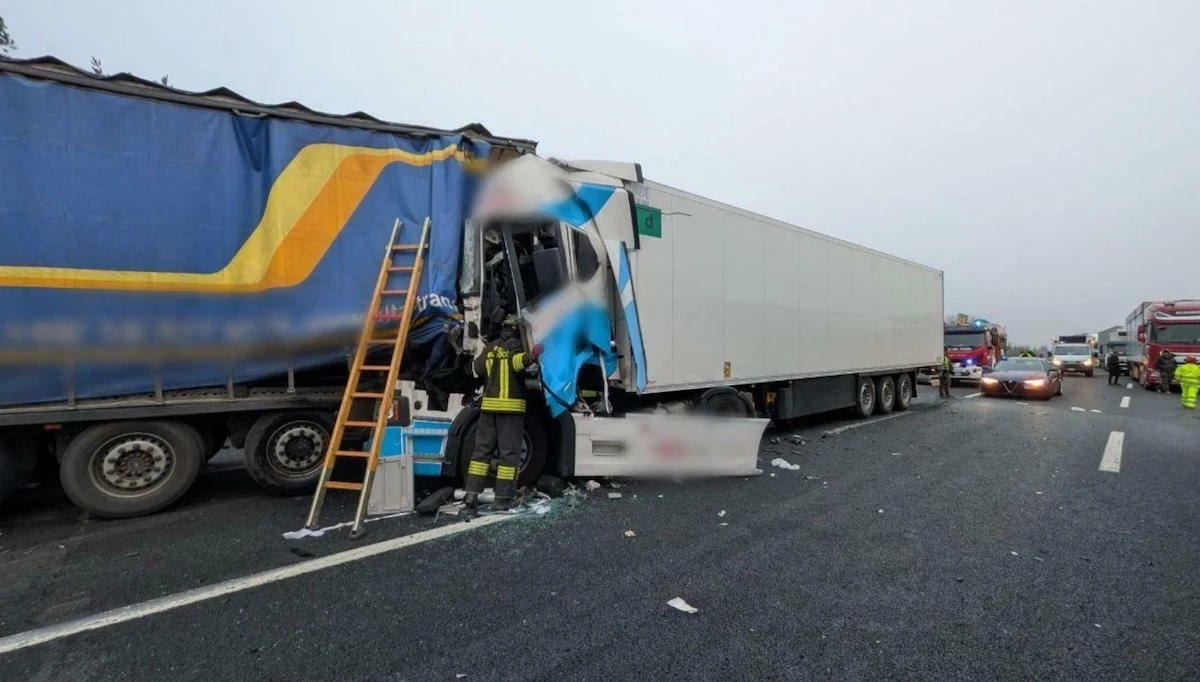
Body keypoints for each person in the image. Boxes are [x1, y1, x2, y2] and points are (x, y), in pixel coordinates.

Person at [464, 322, 542, 513]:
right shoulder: (515, 345)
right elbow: (518, 363)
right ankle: (503, 498)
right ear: (517, 331)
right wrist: (533, 355)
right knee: (509, 454)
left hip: (489, 408)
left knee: (481, 452)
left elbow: (478, 368)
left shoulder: (491, 347)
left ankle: (471, 495)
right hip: (510, 409)